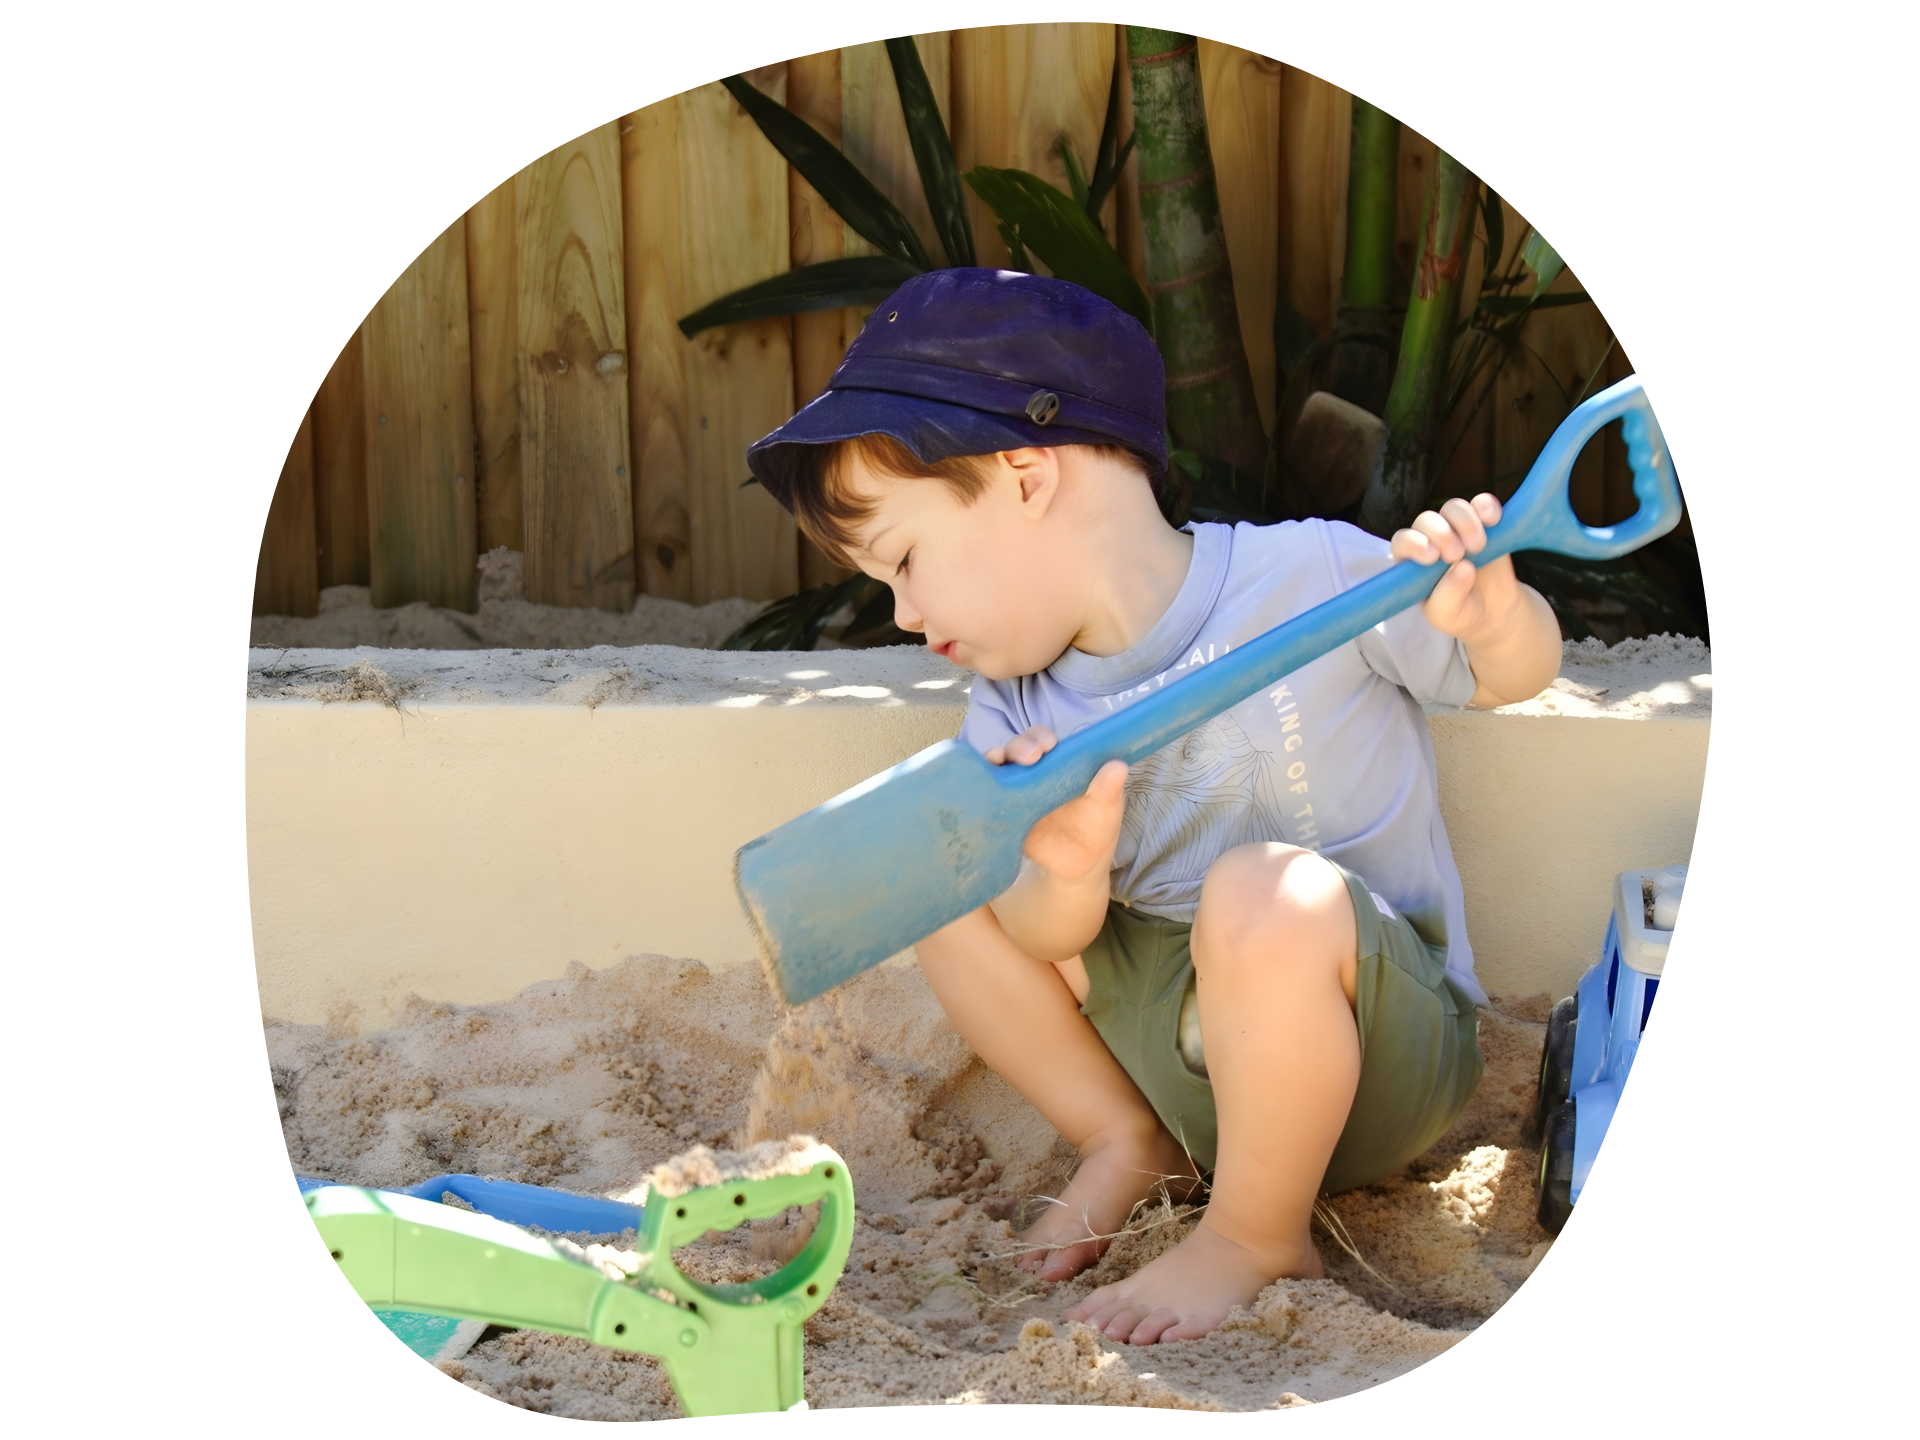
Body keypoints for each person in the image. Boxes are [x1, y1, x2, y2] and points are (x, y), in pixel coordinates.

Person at [745, 269, 1562, 1345]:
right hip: (1181, 1065)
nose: (904, 614)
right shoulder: (1014, 710)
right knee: (937, 878)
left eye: (904, 560)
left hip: (1378, 1048)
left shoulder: (1313, 576)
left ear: (1027, 475)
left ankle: (1256, 1232)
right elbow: (1043, 933)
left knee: (1256, 892)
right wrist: (1069, 872)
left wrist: (1491, 612)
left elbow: (1516, 672)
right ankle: (1126, 1136)